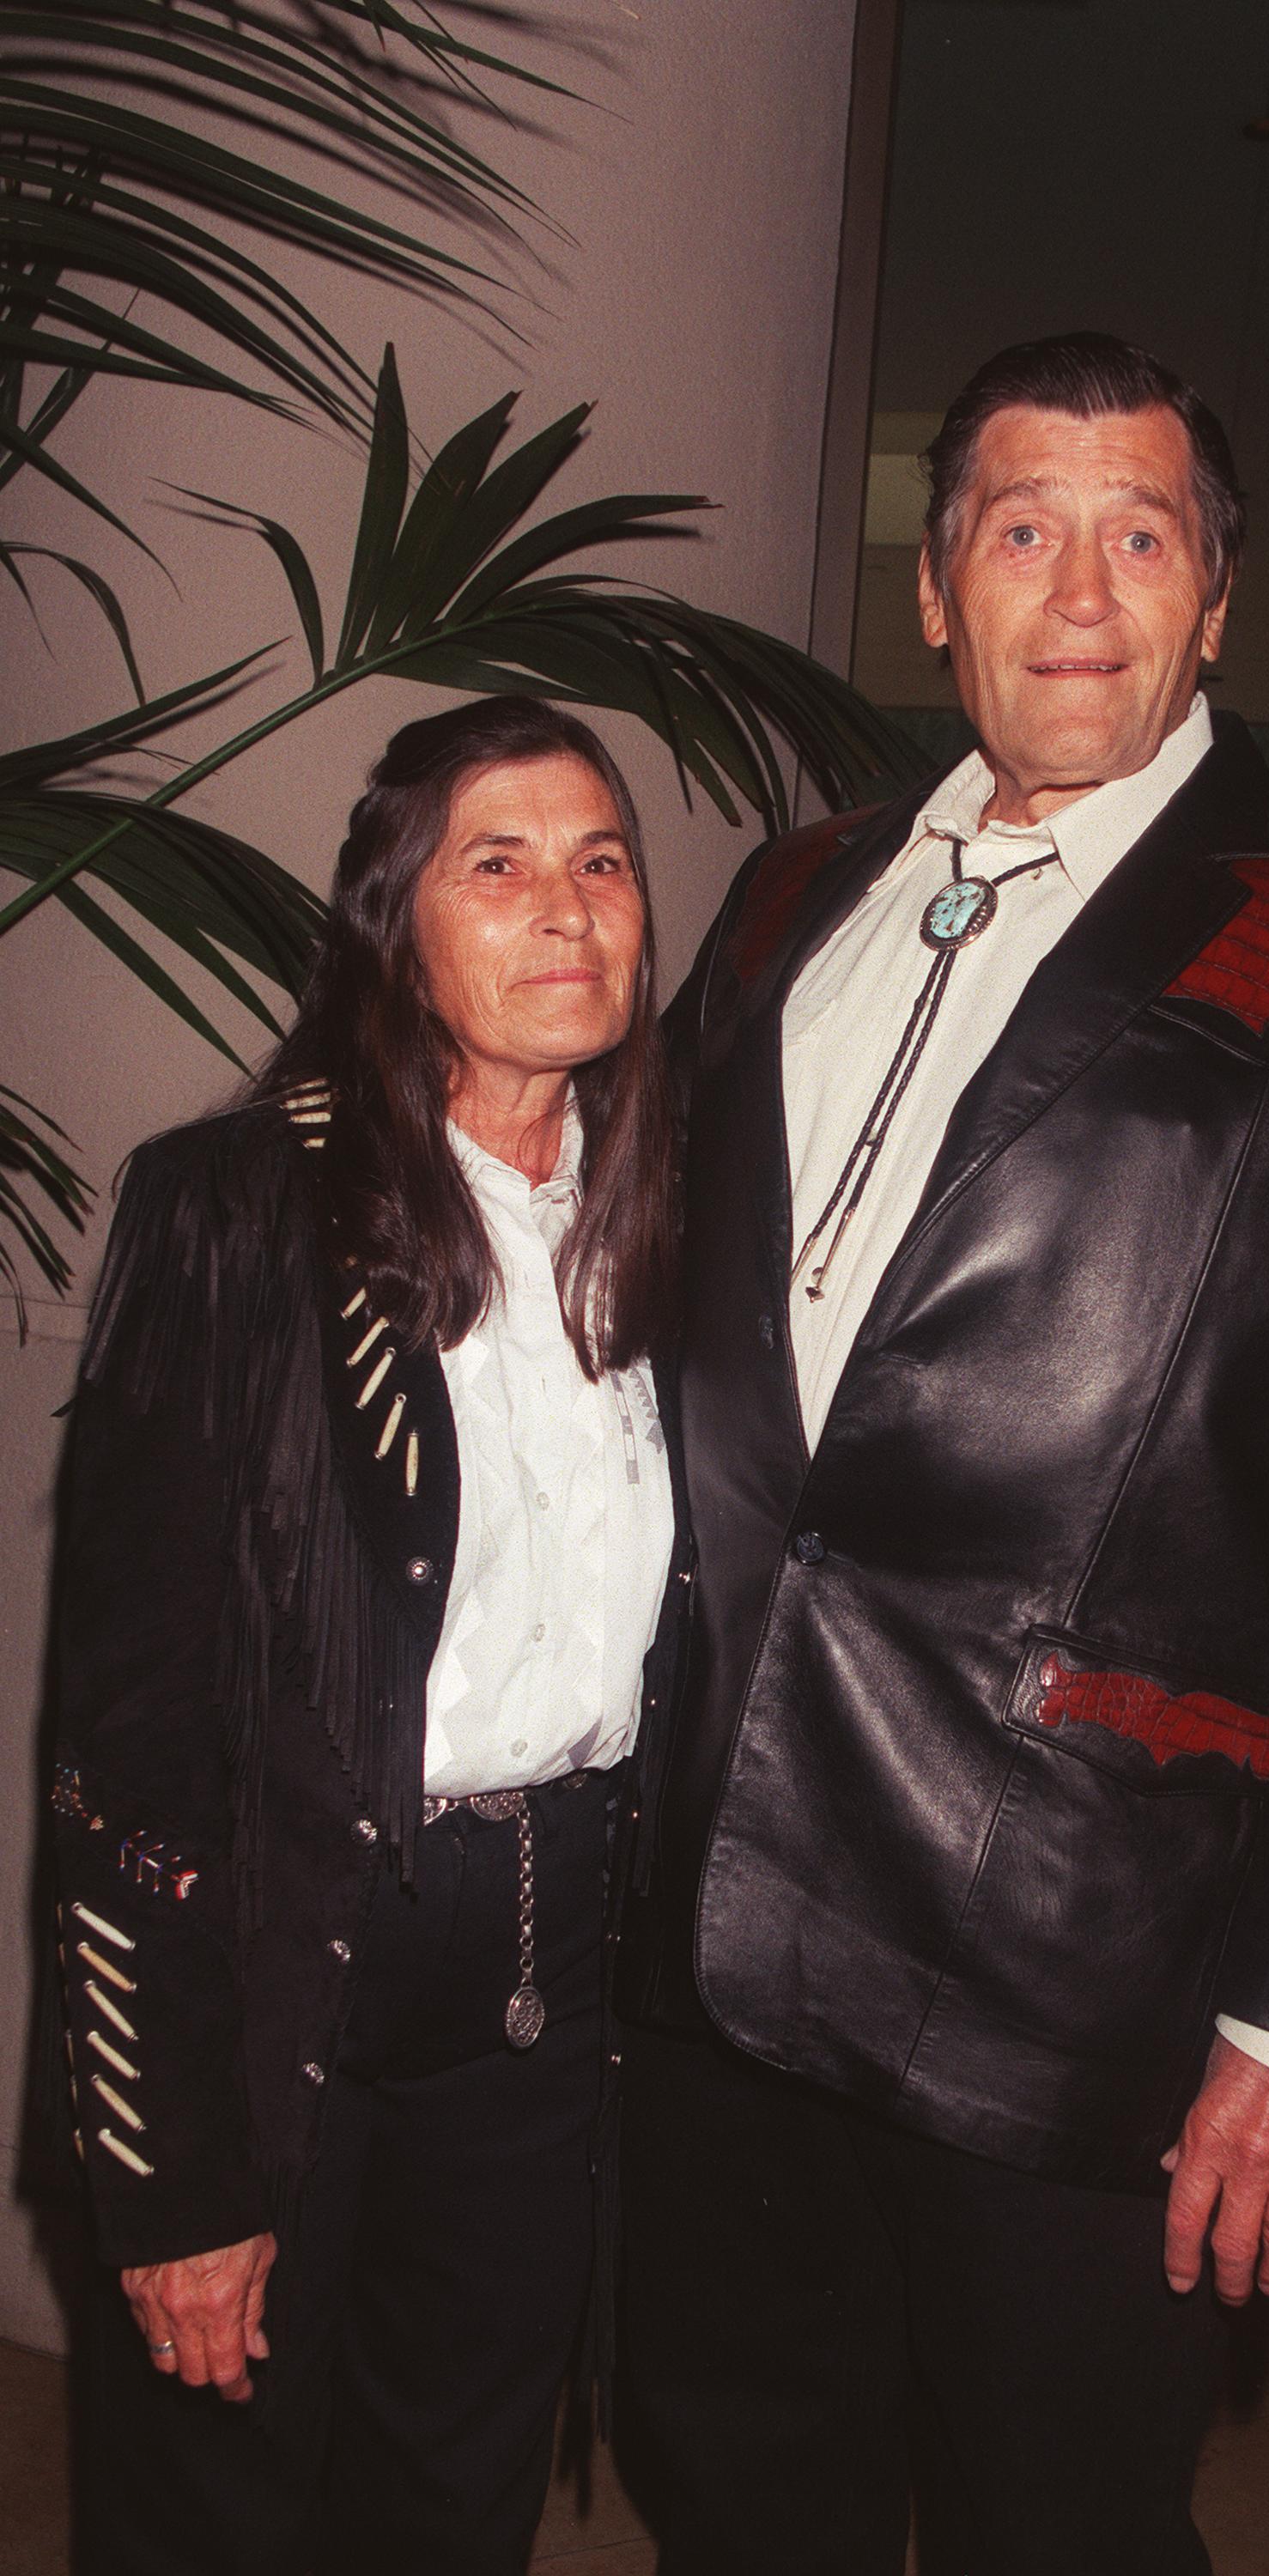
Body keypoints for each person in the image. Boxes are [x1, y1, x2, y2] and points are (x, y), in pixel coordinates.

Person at [610, 334, 1269, 2573]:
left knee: (1067, 2528)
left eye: (1143, 534)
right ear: (937, 592)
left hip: (1078, 1949)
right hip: (718, 1897)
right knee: (743, 2494)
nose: (1080, 585)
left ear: (1217, 602)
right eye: (1020, 528)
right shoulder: (792, 890)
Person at [51, 695, 685, 2575]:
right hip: (287, 1970)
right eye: (498, 866)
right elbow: (130, 1736)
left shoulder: (669, 1225)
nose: (565, 912)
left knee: (454, 2501)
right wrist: (170, 2170)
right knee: (222, 2515)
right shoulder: (238, 1209)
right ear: (395, 922)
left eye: (602, 863)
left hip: (549, 1979)